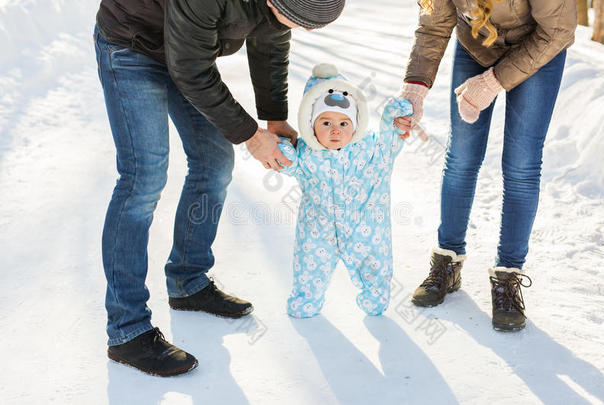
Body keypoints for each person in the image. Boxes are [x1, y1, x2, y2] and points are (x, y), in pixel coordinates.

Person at [94, 0, 346, 376]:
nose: (306, 30)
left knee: (214, 162)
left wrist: (273, 119)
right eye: (300, 22)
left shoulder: (275, 10)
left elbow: (271, 39)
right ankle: (127, 331)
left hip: (184, 49)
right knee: (142, 179)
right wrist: (249, 135)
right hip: (132, 43)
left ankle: (187, 280)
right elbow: (192, 71)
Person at [395, 0, 576, 331]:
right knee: (461, 155)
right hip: (477, 44)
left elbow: (559, 28)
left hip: (541, 43)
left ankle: (508, 274)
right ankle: (447, 261)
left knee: (521, 166)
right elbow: (434, 24)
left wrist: (492, 83)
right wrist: (414, 89)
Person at [277, 64, 413, 318]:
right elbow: (291, 165)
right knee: (309, 268)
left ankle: (375, 297)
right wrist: (284, 154)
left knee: (374, 267)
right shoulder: (306, 153)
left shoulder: (371, 150)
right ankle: (306, 299)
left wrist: (392, 121)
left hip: (367, 230)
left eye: (343, 122)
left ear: (356, 123)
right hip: (317, 232)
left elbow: (389, 144)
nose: (335, 130)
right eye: (325, 122)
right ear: (310, 125)